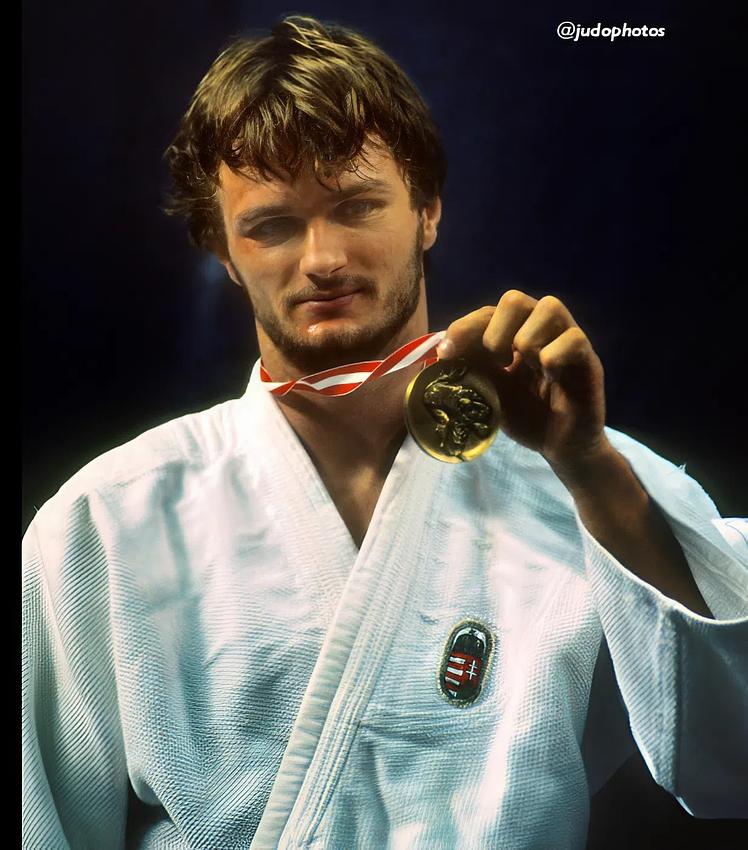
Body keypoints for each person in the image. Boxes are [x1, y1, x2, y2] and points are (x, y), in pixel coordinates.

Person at [22, 14, 747, 850]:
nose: (322, 258)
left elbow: (732, 763)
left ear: (428, 211)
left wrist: (587, 465)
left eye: (357, 206)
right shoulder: (103, 524)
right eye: (271, 225)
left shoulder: (591, 485)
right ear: (222, 251)